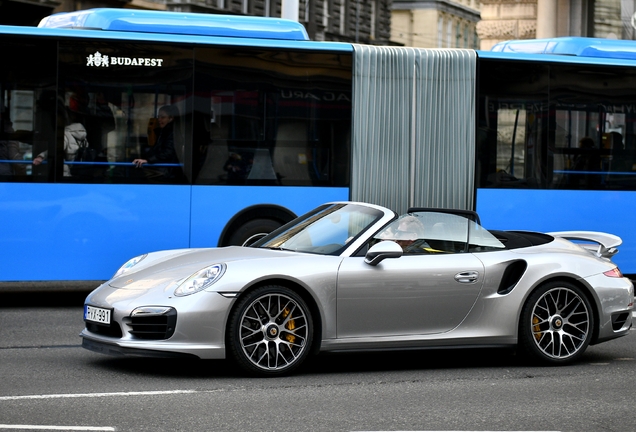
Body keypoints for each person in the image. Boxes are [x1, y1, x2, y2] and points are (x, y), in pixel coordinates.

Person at [133, 105, 179, 179]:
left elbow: (168, 153)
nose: (159, 120)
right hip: (162, 167)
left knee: (135, 172)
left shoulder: (172, 133)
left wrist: (148, 160)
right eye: (158, 117)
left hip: (167, 170)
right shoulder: (163, 132)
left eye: (163, 117)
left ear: (171, 118)